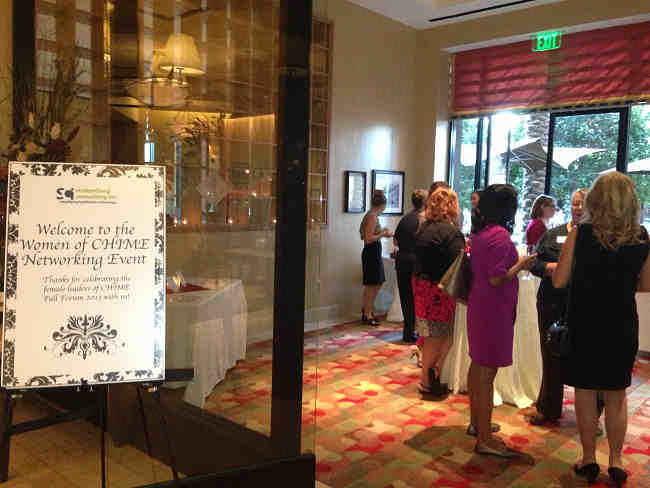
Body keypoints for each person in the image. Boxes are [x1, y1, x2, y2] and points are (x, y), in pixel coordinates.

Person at [553, 172, 650, 486]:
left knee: (585, 392)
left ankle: (589, 458)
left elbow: (559, 280)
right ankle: (616, 460)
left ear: (595, 199)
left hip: (585, 321)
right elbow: (646, 285)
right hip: (621, 322)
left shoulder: (580, 234)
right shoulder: (641, 237)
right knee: (616, 395)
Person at [467, 184, 537, 456]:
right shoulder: (499, 236)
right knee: (486, 374)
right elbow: (497, 278)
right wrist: (521, 265)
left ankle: (478, 423)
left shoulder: (481, 233)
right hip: (493, 309)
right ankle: (484, 438)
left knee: (478, 367)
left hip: (480, 306)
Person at [529, 189, 605, 430]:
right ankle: (548, 408)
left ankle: (593, 416)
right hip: (551, 304)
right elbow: (535, 263)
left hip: (585, 307)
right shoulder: (553, 234)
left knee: (590, 361)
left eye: (583, 204)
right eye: (575, 203)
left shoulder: (600, 238)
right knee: (551, 358)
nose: (578, 208)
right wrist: (549, 268)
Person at [413, 188, 465, 396]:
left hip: (421, 285)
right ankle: (428, 381)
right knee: (438, 336)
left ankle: (431, 376)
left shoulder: (423, 228)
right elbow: (460, 263)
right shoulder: (451, 233)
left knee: (431, 335)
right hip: (438, 289)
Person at [394, 189, 428, 342]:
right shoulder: (423, 220)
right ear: (425, 202)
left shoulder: (405, 218)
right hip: (416, 261)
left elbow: (395, 240)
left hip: (402, 260)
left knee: (405, 297)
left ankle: (408, 331)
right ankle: (418, 331)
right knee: (417, 298)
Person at [360, 189, 392, 326]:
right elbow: (368, 239)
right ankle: (367, 313)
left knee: (377, 282)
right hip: (371, 252)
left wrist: (382, 232)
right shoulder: (372, 217)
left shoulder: (372, 215)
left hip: (373, 252)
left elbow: (372, 234)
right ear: (382, 205)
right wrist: (382, 234)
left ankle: (367, 310)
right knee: (371, 284)